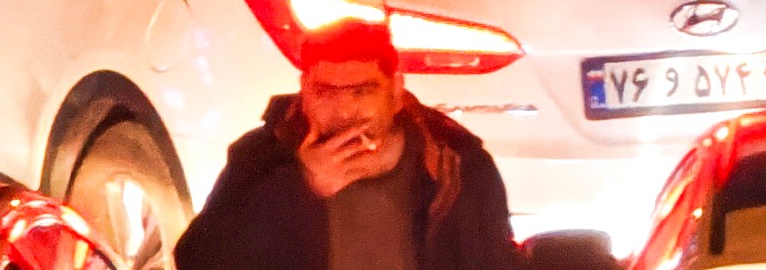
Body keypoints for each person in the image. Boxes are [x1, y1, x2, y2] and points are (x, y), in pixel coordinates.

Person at [176, 17, 523, 270]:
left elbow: (495, 259)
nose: (343, 111)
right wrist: (300, 187)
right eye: (325, 92)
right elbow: (198, 259)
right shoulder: (265, 155)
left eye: (362, 92)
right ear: (305, 89)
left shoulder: (455, 166)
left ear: (396, 90)